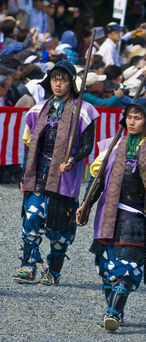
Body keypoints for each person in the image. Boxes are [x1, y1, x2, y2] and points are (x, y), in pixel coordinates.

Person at [76, 97, 146, 331]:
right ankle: (114, 311)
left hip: (135, 217)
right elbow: (96, 182)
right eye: (129, 117)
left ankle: (113, 312)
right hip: (108, 214)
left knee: (128, 267)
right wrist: (85, 205)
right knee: (106, 266)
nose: (132, 122)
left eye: (137, 118)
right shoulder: (110, 147)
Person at [14, 60, 99, 285]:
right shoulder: (37, 109)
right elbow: (28, 144)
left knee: (59, 230)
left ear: (71, 83)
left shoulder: (85, 110)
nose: (58, 84)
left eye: (62, 80)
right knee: (31, 218)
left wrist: (73, 159)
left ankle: (53, 271)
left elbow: (88, 144)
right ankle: (27, 265)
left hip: (63, 177)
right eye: (54, 79)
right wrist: (24, 175)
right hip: (39, 172)